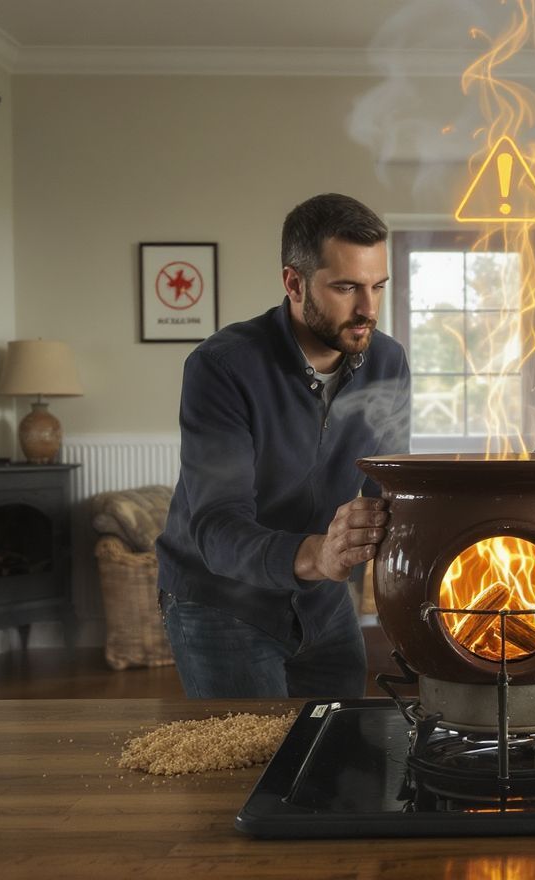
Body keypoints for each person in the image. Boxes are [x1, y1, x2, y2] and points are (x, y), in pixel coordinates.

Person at [156, 193, 410, 700]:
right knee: (249, 769)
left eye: (378, 286)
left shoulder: (387, 362)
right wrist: (319, 554)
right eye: (346, 288)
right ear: (293, 283)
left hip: (323, 598)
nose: (368, 309)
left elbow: (391, 488)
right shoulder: (222, 367)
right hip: (222, 602)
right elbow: (217, 526)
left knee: (339, 750)